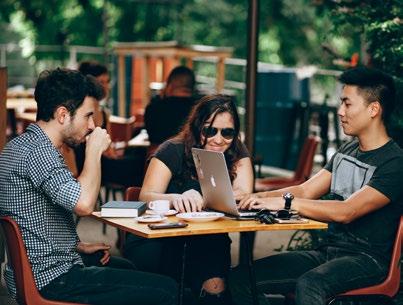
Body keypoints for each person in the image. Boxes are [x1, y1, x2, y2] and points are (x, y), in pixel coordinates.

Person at [0, 68, 177, 305]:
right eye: (88, 116)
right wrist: (94, 152)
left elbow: (31, 219)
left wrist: (75, 246)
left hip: (40, 270)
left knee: (127, 267)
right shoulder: (39, 153)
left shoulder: (21, 146)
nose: (93, 125)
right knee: (168, 289)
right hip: (52, 279)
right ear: (63, 115)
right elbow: (83, 204)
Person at [229, 67, 403, 305]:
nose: (340, 112)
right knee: (241, 278)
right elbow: (306, 190)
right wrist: (255, 197)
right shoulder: (347, 150)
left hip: (367, 260)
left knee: (310, 284)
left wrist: (285, 203)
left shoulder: (394, 162)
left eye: (347, 104)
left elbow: (347, 211)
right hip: (328, 252)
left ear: (373, 109)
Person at [124, 94, 254, 305]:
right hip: (161, 238)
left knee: (215, 281)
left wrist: (207, 197)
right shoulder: (173, 149)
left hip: (207, 238)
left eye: (227, 132)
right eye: (210, 131)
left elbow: (243, 193)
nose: (218, 139)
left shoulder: (236, 151)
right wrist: (177, 198)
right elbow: (145, 196)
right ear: (197, 127)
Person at [144, 65, 198, 145]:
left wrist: (160, 97)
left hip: (157, 155)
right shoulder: (199, 109)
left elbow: (152, 137)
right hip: (190, 156)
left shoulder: (153, 108)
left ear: (170, 85)